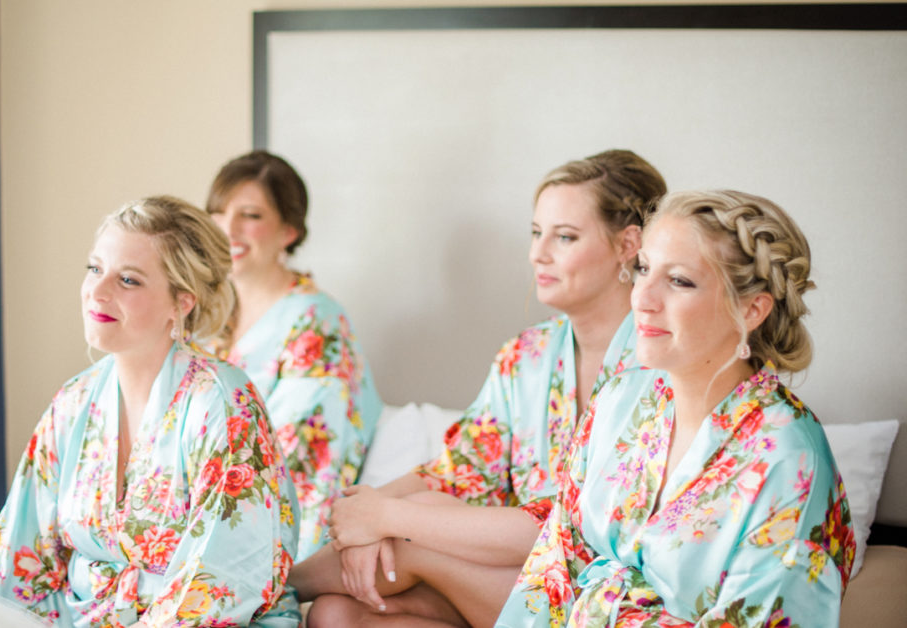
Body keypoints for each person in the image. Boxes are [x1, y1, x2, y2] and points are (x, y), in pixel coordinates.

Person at [291, 150, 668, 626]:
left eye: (564, 237)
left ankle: (274, 592)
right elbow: (459, 470)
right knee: (335, 614)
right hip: (512, 579)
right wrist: (364, 514)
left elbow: (577, 525)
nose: (538, 254)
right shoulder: (525, 357)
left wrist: (387, 519)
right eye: (536, 233)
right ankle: (276, 593)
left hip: (602, 591)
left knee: (409, 537)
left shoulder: (662, 364)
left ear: (628, 245)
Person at [497, 189, 855, 626]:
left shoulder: (789, 458)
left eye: (679, 281)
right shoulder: (618, 401)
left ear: (752, 309)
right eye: (644, 269)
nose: (642, 298)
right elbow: (552, 568)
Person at [0, 196, 301, 627]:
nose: (97, 291)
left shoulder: (222, 403)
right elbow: (15, 548)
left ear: (181, 302)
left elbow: (225, 578)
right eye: (95, 269)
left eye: (128, 280)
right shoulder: (74, 402)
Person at [201, 150, 383, 561]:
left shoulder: (315, 319)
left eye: (250, 215)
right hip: (213, 507)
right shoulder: (210, 320)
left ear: (289, 230)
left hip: (277, 523)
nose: (228, 229)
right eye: (218, 213)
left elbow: (302, 459)